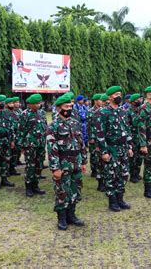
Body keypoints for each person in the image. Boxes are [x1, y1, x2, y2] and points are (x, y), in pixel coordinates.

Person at [47, 94, 86, 230]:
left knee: (75, 190)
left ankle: (72, 215)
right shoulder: (53, 126)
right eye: (66, 107)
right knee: (62, 191)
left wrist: (84, 161)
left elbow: (81, 143)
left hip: (76, 163)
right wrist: (55, 169)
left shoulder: (75, 123)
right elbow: (52, 149)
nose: (69, 109)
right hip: (63, 165)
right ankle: (62, 218)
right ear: (58, 108)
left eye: (70, 106)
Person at [96, 86, 133, 212]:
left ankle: (120, 198)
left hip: (123, 148)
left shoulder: (123, 111)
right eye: (116, 94)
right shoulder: (103, 113)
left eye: (120, 94)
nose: (119, 96)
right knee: (111, 175)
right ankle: (112, 201)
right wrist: (104, 151)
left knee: (124, 174)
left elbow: (127, 130)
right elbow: (100, 134)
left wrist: (129, 147)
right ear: (110, 96)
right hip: (111, 148)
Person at [18, 94, 47, 197]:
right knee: (30, 166)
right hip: (30, 145)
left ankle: (36, 185)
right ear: (30, 104)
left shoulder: (42, 113)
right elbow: (21, 130)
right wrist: (21, 145)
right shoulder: (25, 114)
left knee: (39, 165)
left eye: (39, 103)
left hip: (41, 144)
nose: (38, 105)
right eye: (36, 103)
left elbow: (45, 127)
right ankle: (28, 187)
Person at [127, 93, 144, 184]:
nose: (140, 101)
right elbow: (135, 122)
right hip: (133, 138)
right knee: (133, 158)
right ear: (133, 101)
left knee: (139, 157)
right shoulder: (129, 110)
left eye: (141, 99)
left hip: (140, 137)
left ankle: (137, 173)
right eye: (138, 100)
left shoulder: (140, 109)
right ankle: (132, 175)